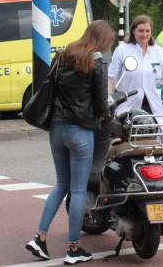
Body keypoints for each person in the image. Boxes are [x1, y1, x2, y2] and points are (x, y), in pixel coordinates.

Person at [25, 20, 113, 265]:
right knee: (77, 190)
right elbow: (100, 101)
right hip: (81, 131)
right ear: (102, 39)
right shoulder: (95, 61)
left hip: (57, 128)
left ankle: (39, 237)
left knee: (60, 185)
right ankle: (73, 248)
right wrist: (105, 116)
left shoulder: (63, 55)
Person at [108, 15, 163, 147]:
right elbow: (111, 77)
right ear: (133, 31)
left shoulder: (158, 52)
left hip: (152, 105)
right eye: (141, 31)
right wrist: (108, 98)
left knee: (157, 143)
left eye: (147, 31)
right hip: (128, 104)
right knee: (127, 142)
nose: (144, 34)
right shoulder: (122, 50)